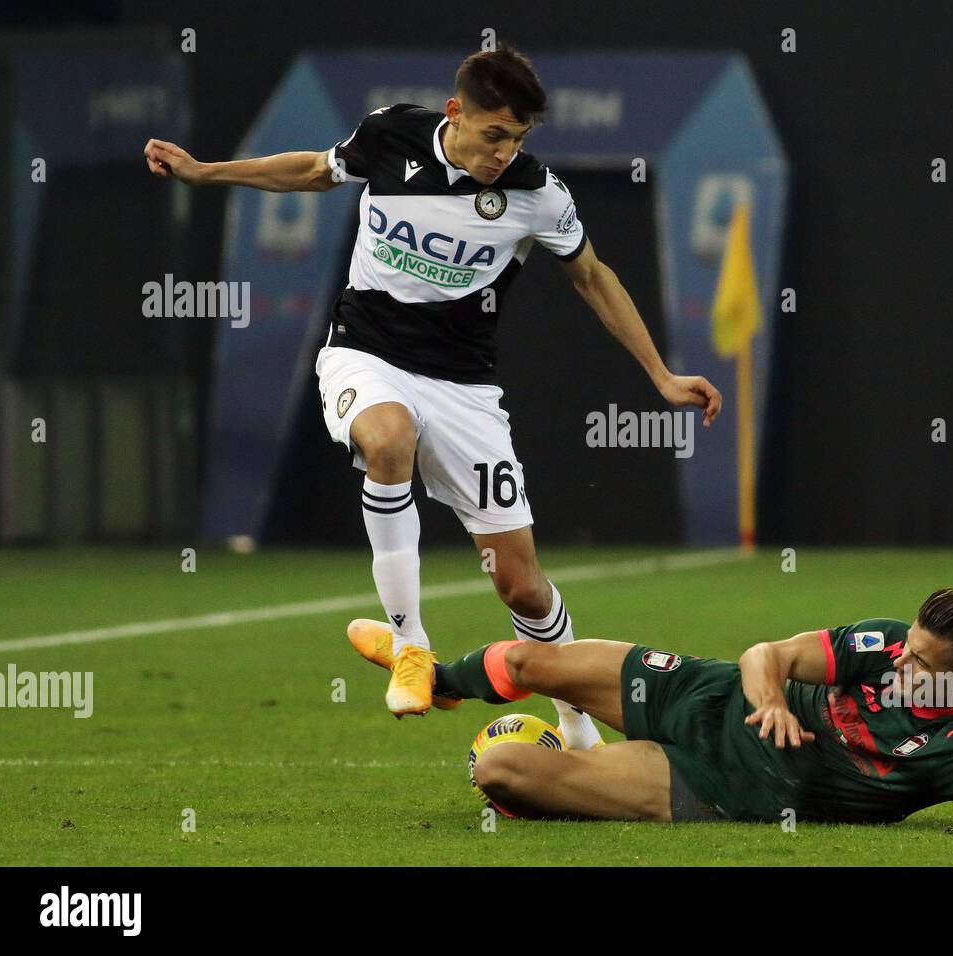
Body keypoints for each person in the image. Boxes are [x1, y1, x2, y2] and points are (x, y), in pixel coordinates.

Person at [144, 45, 721, 745]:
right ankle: (410, 642)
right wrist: (207, 172)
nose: (505, 152)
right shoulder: (390, 134)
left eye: (519, 139)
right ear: (456, 113)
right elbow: (313, 170)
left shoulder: (539, 194)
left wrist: (660, 374)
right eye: (494, 134)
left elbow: (594, 278)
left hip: (464, 390)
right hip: (365, 354)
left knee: (522, 586)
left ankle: (577, 731)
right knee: (388, 439)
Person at [349, 588, 953, 827]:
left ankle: (581, 777)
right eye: (911, 644)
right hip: (703, 695)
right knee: (528, 660)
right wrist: (768, 701)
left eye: (924, 662)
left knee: (501, 770)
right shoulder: (886, 643)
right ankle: (436, 676)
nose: (904, 658)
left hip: (710, 787)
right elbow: (765, 654)